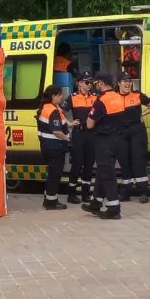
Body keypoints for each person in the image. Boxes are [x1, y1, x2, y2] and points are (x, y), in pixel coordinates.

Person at [84, 72, 125, 220]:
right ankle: (95, 203)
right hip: (117, 139)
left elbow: (89, 124)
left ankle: (113, 208)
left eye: (95, 83)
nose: (94, 86)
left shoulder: (101, 101)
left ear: (100, 83)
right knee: (102, 172)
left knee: (107, 174)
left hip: (104, 141)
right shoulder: (118, 97)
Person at [116, 74, 150, 202]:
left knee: (139, 161)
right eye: (125, 81)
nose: (128, 84)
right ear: (119, 83)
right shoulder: (114, 97)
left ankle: (143, 192)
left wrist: (142, 114)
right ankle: (125, 192)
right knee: (124, 162)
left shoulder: (137, 95)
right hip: (121, 132)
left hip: (137, 131)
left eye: (129, 81)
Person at [66, 71, 97, 204]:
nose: (89, 85)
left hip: (91, 134)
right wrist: (68, 122)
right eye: (86, 82)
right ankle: (71, 194)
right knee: (77, 164)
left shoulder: (95, 97)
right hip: (79, 134)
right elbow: (58, 110)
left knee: (89, 165)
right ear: (79, 83)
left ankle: (86, 193)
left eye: (91, 82)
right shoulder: (72, 98)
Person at [37, 85, 70, 210]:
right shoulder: (52, 110)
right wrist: (68, 140)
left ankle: (48, 199)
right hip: (54, 147)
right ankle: (51, 202)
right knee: (55, 174)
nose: (61, 97)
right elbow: (57, 131)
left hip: (48, 146)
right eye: (59, 95)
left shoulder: (47, 107)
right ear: (53, 96)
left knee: (52, 173)